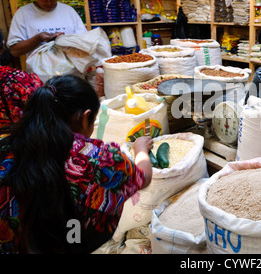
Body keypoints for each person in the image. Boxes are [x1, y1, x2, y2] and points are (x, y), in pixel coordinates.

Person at [0, 74, 154, 253]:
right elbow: (143, 177)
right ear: (84, 117)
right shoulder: (100, 158)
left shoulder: (5, 143)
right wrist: (140, 149)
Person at [6, 0, 86, 59]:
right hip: (40, 71)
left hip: (72, 70)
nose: (48, 2)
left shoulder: (69, 11)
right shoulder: (22, 14)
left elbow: (84, 41)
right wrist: (38, 39)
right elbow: (14, 51)